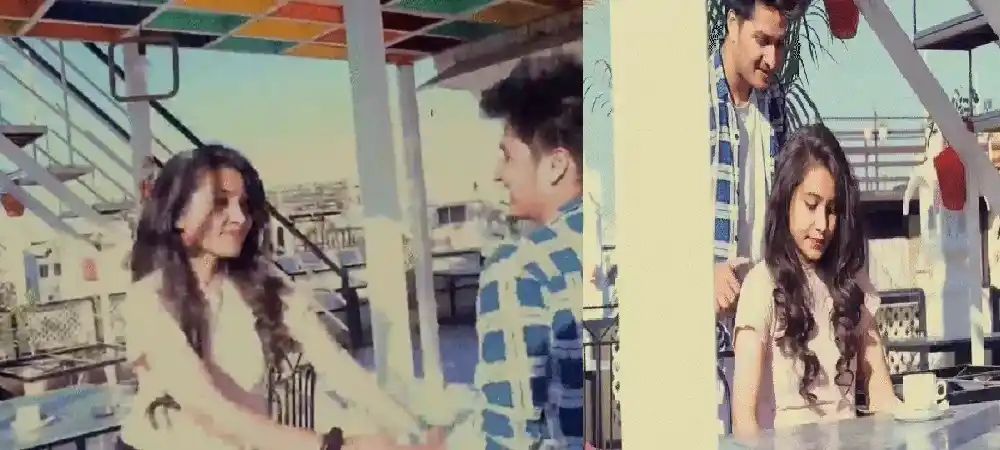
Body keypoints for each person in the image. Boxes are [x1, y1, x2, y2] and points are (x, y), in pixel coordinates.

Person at [117, 145, 440, 450]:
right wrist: (336, 446)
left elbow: (337, 366)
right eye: (220, 203)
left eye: (244, 205)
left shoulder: (262, 284)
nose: (240, 218)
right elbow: (211, 408)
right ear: (177, 214)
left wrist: (413, 430)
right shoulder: (148, 302)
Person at [729, 124, 901, 439]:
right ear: (786, 200)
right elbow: (744, 420)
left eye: (832, 210)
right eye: (811, 205)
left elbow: (882, 395)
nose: (822, 224)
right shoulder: (761, 285)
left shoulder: (852, 283)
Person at [459, 54, 584, 449]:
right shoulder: (639, 247)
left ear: (556, 165)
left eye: (508, 156)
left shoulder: (520, 269)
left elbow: (509, 437)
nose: (498, 173)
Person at [710, 0, 800, 432]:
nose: (773, 58)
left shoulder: (774, 102)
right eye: (762, 41)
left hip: (763, 321)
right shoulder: (689, 97)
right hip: (702, 329)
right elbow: (653, 215)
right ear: (733, 23)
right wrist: (704, 268)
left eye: (780, 44)